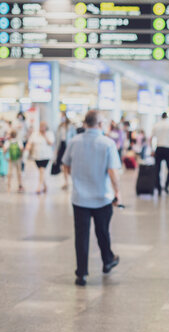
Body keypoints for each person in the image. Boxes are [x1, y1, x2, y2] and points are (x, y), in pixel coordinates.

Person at [62, 110, 121, 286]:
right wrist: (117, 192)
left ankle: (81, 273)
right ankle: (107, 260)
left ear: (86, 123)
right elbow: (112, 172)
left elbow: (65, 164)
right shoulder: (107, 143)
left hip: (79, 198)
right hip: (102, 197)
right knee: (102, 232)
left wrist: (76, 178)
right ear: (100, 124)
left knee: (81, 235)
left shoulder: (74, 141)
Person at [151, 112, 169, 194]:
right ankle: (166, 186)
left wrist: (152, 150)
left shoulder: (156, 125)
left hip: (158, 148)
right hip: (168, 149)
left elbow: (151, 138)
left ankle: (158, 188)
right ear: (167, 117)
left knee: (157, 169)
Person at [26, 121, 55, 194]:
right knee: (40, 171)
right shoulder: (35, 134)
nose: (41, 128)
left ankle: (39, 187)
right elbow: (30, 142)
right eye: (40, 126)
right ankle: (45, 185)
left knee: (42, 170)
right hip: (36, 156)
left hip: (45, 156)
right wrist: (27, 148)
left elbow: (51, 143)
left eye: (43, 126)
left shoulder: (49, 133)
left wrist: (45, 136)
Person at [55, 112, 76, 189]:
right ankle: (66, 182)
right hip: (61, 146)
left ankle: (72, 181)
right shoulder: (60, 127)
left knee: (69, 165)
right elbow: (57, 139)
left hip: (69, 146)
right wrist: (56, 149)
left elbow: (74, 136)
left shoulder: (70, 126)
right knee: (63, 164)